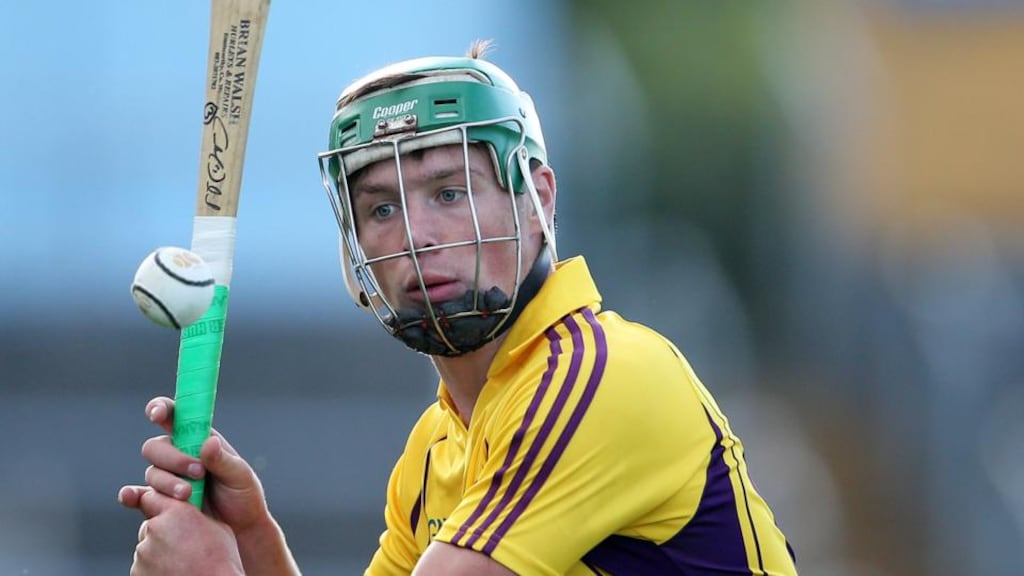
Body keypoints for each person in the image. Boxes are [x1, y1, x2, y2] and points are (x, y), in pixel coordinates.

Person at [119, 40, 798, 575]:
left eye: (449, 192)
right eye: (381, 208)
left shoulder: (599, 378)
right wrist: (252, 547)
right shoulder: (433, 451)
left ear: (539, 199)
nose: (415, 235)